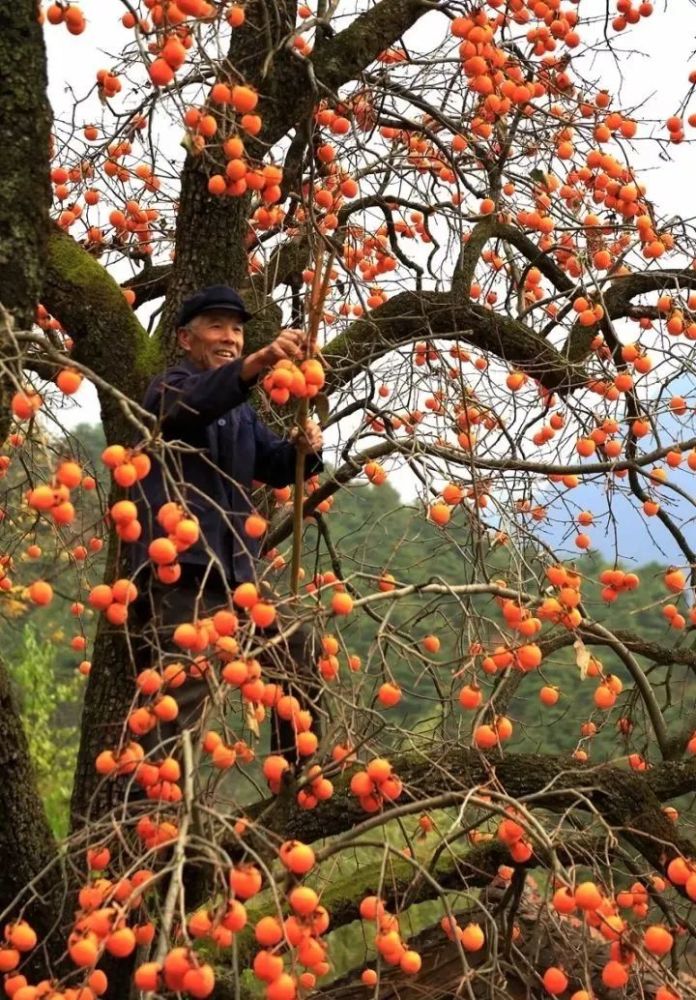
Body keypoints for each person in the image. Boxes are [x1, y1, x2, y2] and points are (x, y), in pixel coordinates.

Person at [126, 285, 324, 771]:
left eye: (237, 329)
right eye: (216, 327)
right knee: (179, 707)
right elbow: (192, 407)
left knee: (298, 649)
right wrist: (256, 364)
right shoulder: (168, 388)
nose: (230, 338)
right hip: (181, 577)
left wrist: (304, 449)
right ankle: (164, 824)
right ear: (185, 339)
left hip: (234, 581)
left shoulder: (240, 410)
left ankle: (295, 775)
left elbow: (276, 468)